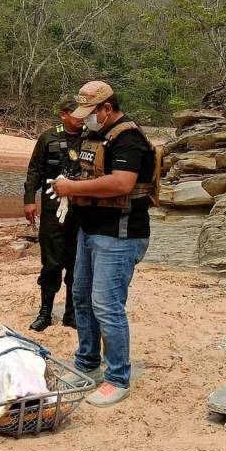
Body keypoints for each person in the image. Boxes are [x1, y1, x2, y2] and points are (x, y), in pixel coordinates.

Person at [50, 80, 156, 407]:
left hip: (120, 235)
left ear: (106, 109)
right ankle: (87, 364)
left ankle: (118, 377)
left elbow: (122, 183)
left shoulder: (129, 139)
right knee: (81, 297)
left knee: (107, 306)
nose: (84, 120)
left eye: (90, 113)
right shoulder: (95, 135)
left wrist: (72, 189)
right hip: (89, 230)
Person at [23, 95, 85, 332]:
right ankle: (45, 314)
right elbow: (34, 171)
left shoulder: (91, 139)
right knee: (51, 262)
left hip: (80, 211)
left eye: (84, 115)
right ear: (64, 114)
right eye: (76, 115)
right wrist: (29, 200)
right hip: (51, 208)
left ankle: (71, 314)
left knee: (76, 263)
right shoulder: (48, 137)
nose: (81, 120)